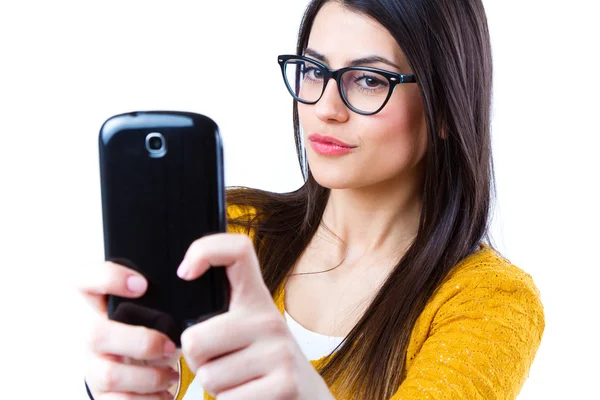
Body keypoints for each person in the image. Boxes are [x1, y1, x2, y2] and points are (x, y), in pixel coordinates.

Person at [80, 0, 545, 399]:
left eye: (368, 80)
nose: (325, 107)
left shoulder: (490, 301)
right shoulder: (234, 233)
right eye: (313, 70)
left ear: (445, 107)